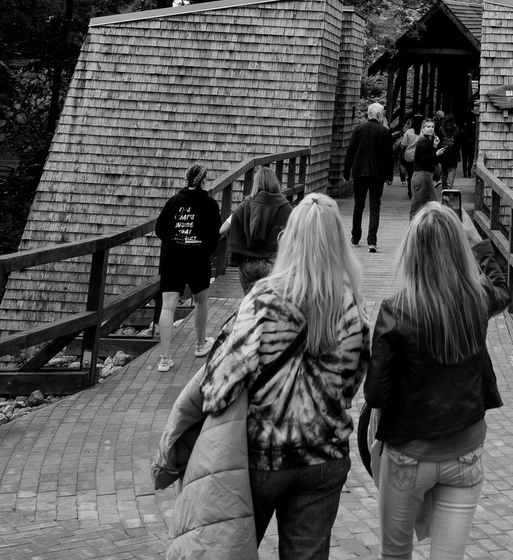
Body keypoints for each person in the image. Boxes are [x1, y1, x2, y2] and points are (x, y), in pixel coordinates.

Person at [198, 192, 369, 560]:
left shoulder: (264, 299)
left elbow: (220, 386)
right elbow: (351, 384)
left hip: (262, 455)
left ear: (288, 238)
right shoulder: (352, 305)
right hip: (324, 455)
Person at [364, 202, 503, 560]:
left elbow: (375, 393)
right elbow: (502, 290)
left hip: (409, 455)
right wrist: (477, 242)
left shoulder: (396, 310)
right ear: (457, 250)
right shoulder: (476, 299)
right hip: (466, 452)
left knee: (395, 553)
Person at [211, 166, 292, 353]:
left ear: (256, 184)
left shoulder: (245, 205)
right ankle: (268, 346)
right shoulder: (285, 206)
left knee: (249, 306)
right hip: (272, 264)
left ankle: (246, 344)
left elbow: (223, 230)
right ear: (274, 182)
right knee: (271, 307)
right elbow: (294, 232)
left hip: (246, 265)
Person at [156, 164, 223, 372]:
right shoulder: (210, 204)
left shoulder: (174, 201)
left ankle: (165, 359)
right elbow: (215, 234)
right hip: (197, 256)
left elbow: (160, 229)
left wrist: (174, 241)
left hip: (172, 256)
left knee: (168, 306)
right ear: (203, 181)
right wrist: (206, 251)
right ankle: (201, 344)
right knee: (201, 301)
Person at [346, 103, 398, 252]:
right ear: (380, 115)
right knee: (375, 207)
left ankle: (356, 237)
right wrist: (389, 176)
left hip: (359, 173)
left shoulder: (358, 129)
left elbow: (350, 151)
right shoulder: (384, 132)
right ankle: (372, 241)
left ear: (368, 114)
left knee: (358, 205)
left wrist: (346, 172)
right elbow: (389, 156)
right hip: (377, 174)